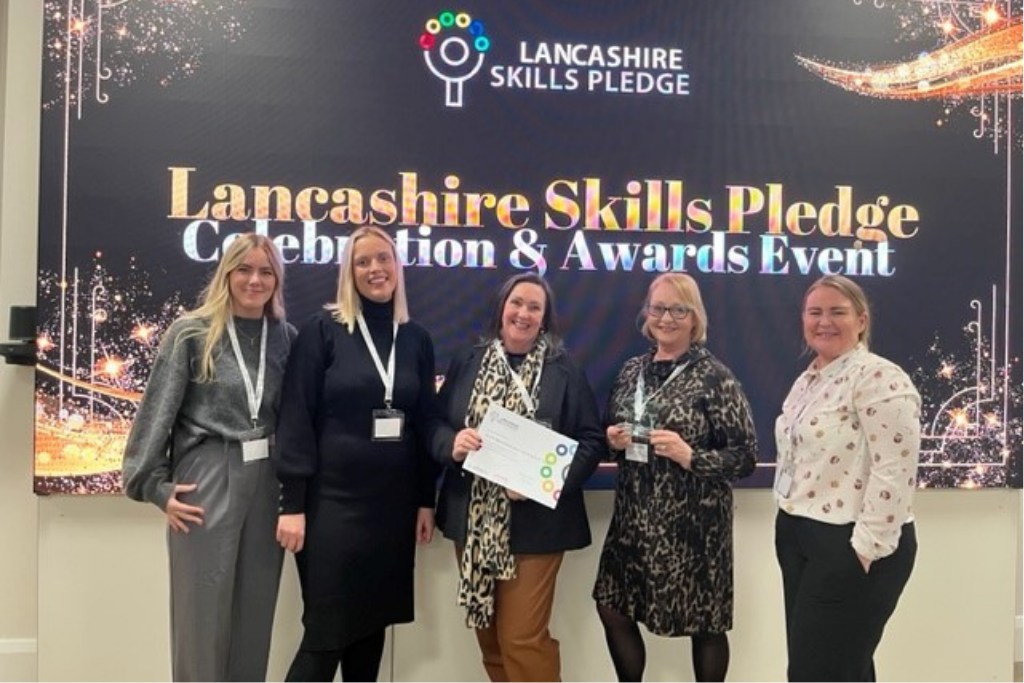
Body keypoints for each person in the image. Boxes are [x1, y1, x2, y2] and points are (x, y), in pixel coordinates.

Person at [122, 233, 295, 682]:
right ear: (226, 274)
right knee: (202, 614)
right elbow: (156, 412)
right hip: (209, 472)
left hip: (268, 478)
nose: (255, 280)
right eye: (244, 269)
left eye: (265, 271)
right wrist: (155, 487)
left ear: (277, 280)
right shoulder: (192, 332)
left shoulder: (284, 337)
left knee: (254, 613)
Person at [274, 225, 439, 682]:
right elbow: (295, 419)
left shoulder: (416, 339)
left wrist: (426, 499)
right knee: (325, 637)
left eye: (382, 259)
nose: (374, 269)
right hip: (332, 508)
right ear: (349, 272)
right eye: (362, 262)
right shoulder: (322, 331)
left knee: (369, 633)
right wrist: (293, 504)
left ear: (397, 267)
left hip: (392, 509)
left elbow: (425, 423)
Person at [430, 272, 604, 682]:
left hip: (536, 526)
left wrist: (543, 482)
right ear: (501, 308)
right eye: (517, 303)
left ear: (545, 319)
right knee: (489, 637)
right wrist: (451, 444)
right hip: (473, 522)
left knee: (522, 638)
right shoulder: (468, 362)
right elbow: (434, 423)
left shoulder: (564, 370)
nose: (523, 313)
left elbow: (592, 441)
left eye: (534, 307)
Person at [593, 272, 758, 682]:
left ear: (694, 318)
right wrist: (612, 439)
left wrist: (691, 456)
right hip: (634, 520)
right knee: (612, 606)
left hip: (694, 526)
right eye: (658, 308)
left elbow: (745, 456)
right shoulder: (632, 370)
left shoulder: (715, 375)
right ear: (647, 314)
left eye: (678, 309)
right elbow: (610, 431)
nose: (666, 318)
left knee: (705, 624)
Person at [773, 274, 920, 682]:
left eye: (837, 312)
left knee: (815, 673)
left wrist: (865, 550)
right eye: (815, 312)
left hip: (851, 542)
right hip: (800, 533)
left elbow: (896, 469)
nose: (825, 321)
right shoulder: (808, 379)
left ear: (861, 319)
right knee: (841, 669)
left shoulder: (879, 378)